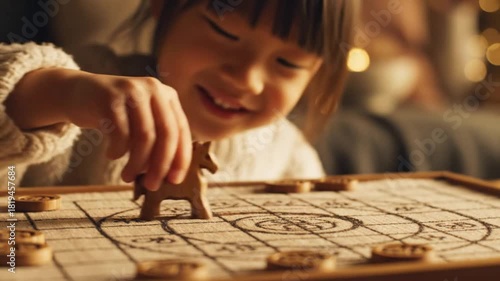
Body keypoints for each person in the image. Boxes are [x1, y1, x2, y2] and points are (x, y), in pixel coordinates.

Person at [0, 0, 359, 190]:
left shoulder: (291, 157)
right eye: (224, 33)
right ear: (162, 4)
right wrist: (61, 93)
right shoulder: (89, 79)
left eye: (288, 63)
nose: (247, 80)